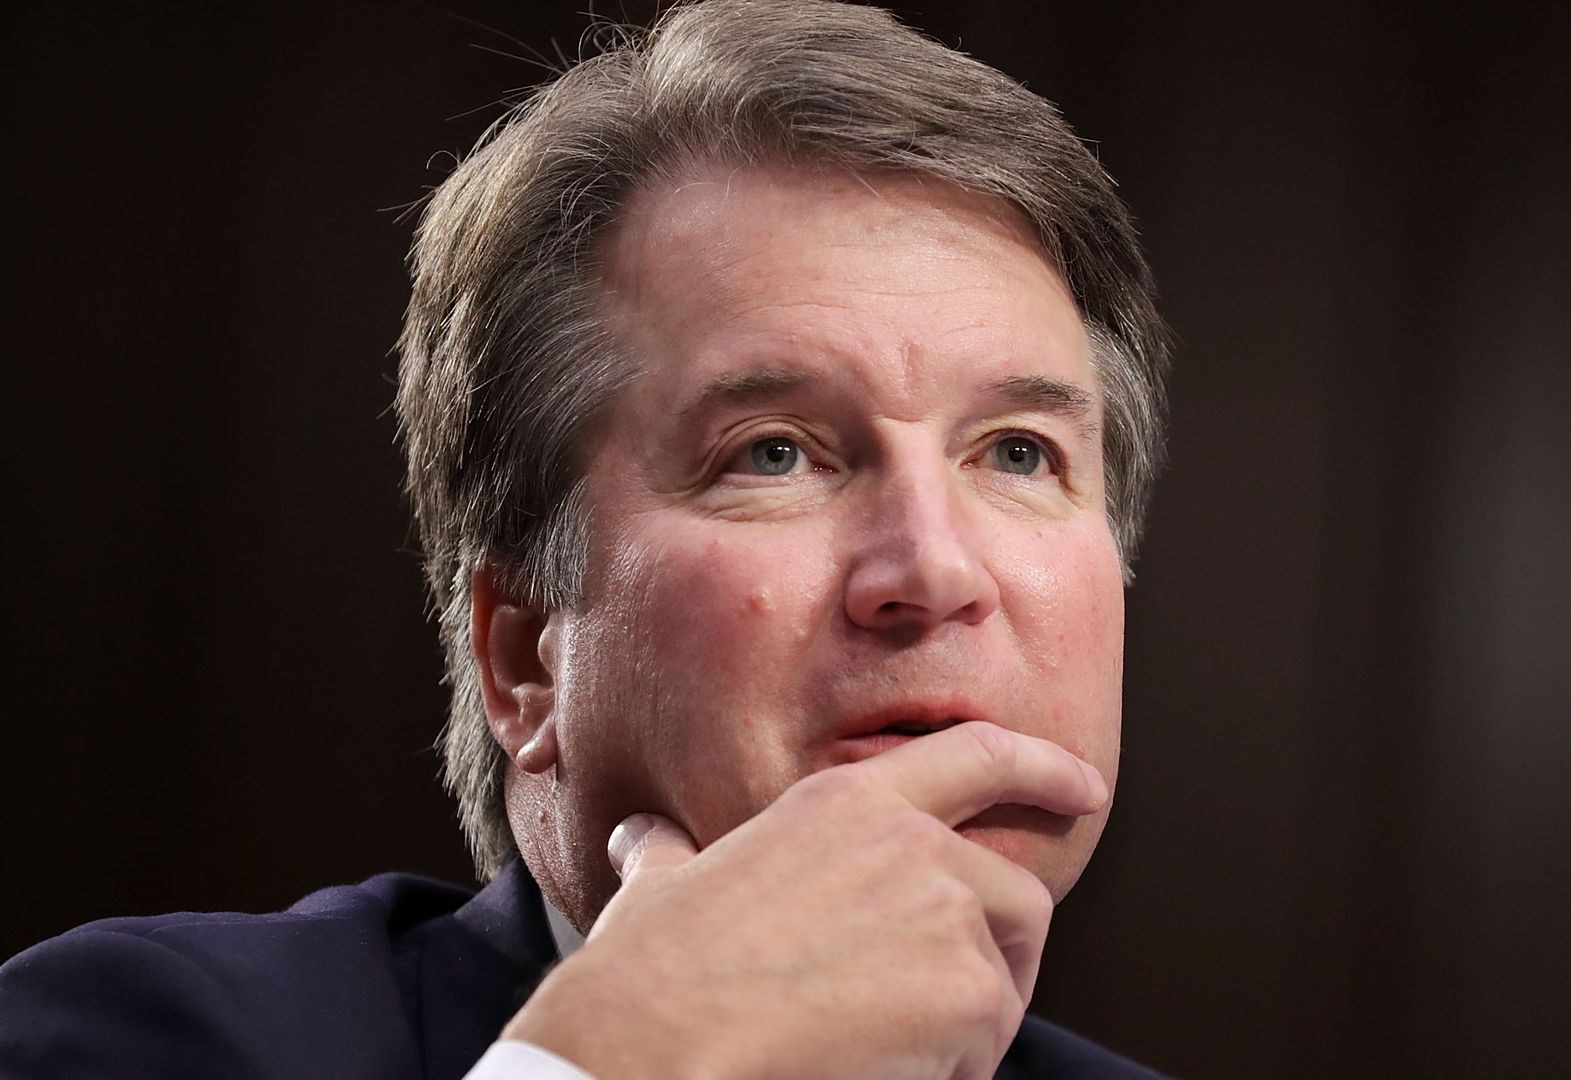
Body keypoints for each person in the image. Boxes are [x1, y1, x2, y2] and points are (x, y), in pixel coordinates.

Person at [0, 1, 1171, 1076]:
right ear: (523, 660)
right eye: (772, 453)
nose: (934, 571)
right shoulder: (153, 1033)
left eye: (1018, 452)